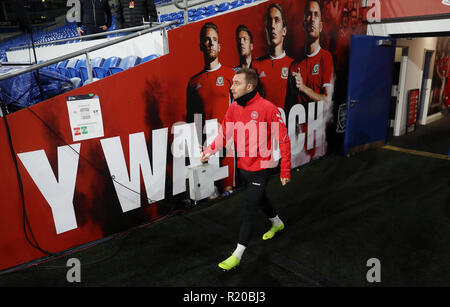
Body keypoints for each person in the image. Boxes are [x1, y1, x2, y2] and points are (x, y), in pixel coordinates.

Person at [200, 68, 291, 271]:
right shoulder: (233, 108)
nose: (231, 87)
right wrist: (209, 150)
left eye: (236, 83)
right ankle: (277, 223)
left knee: (249, 209)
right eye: (232, 82)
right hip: (244, 167)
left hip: (262, 168)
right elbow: (224, 133)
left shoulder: (268, 108)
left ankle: (237, 255)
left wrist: (285, 169)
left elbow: (283, 139)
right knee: (261, 199)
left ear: (250, 86)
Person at [186, 22, 236, 197]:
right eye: (207, 40)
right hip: (205, 151)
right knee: (209, 200)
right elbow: (192, 120)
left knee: (228, 196)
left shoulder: (231, 75)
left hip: (227, 148)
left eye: (214, 39)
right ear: (201, 45)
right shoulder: (193, 82)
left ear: (220, 46)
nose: (211, 43)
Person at [285, 0, 334, 162]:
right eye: (309, 15)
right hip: (298, 143)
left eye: (316, 15)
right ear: (303, 24)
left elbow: (327, 101)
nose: (312, 19)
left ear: (320, 25)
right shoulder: (294, 65)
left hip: (318, 142)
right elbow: (289, 106)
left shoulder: (326, 58)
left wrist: (303, 88)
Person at [252, 3, 293, 109]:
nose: (272, 25)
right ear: (266, 30)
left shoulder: (293, 65)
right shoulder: (255, 65)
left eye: (277, 20)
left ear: (284, 30)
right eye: (269, 21)